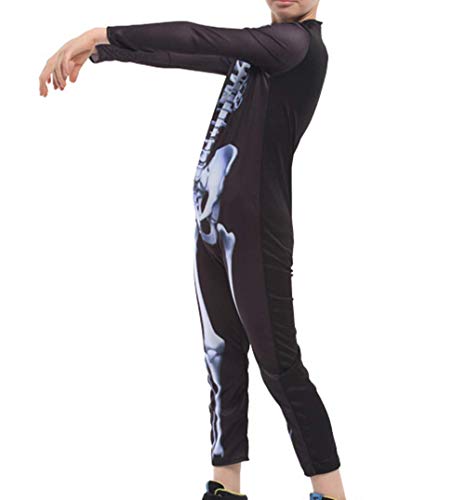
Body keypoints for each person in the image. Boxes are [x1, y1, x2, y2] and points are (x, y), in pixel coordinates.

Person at [39, 1, 347, 499]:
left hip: (256, 229)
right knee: (221, 356)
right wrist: (101, 52)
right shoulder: (263, 52)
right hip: (213, 226)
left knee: (280, 365)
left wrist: (100, 32)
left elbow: (198, 36)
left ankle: (332, 494)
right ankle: (226, 488)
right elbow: (177, 53)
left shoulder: (296, 46)